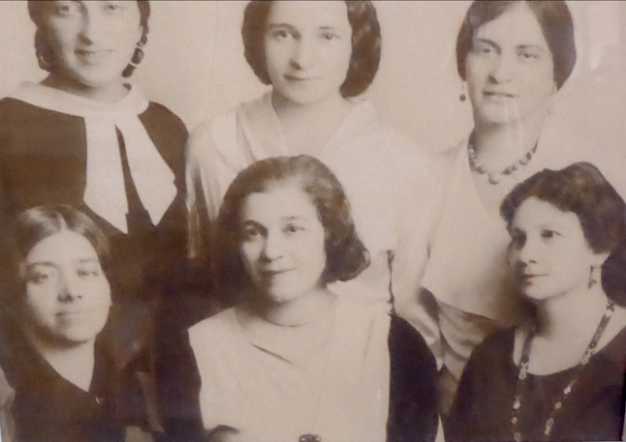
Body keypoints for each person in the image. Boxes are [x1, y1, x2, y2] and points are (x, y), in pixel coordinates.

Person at [417, 0, 626, 413]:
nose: (501, 73)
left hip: (582, 406)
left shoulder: (598, 180)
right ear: (464, 63)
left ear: (557, 74)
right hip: (456, 412)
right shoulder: (424, 177)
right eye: (486, 49)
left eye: (527, 54)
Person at [186, 1, 441, 327]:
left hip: (364, 363)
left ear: (356, 41)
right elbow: (211, 283)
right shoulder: (213, 145)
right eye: (283, 34)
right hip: (242, 362)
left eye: (327, 36)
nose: (303, 59)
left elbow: (414, 317)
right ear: (258, 38)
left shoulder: (405, 162)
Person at [167, 156, 439, 442]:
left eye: (292, 229)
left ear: (329, 234)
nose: (272, 251)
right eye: (254, 233)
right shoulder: (196, 351)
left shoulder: (393, 343)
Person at [0, 1, 188, 308]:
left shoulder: (168, 127)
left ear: (140, 24)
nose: (92, 33)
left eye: (112, 7)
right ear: (41, 23)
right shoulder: (7, 126)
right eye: (67, 9)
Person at [446, 162, 626, 442]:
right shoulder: (491, 358)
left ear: (599, 249)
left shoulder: (624, 350)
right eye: (519, 238)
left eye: (549, 235)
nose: (526, 254)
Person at [0, 205, 161, 442]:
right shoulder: (7, 400)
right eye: (43, 275)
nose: (72, 291)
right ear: (16, 293)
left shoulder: (137, 388)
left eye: (86, 272)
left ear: (108, 286)